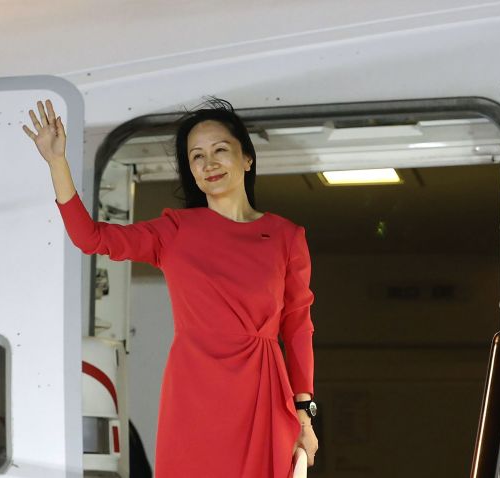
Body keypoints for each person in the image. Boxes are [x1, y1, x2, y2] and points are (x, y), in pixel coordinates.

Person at [23, 98, 319, 477]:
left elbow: (297, 328)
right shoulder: (175, 231)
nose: (208, 163)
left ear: (247, 158)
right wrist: (56, 162)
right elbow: (90, 237)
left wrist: (305, 417)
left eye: (220, 150)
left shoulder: (286, 236)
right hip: (194, 390)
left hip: (263, 390)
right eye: (196, 157)